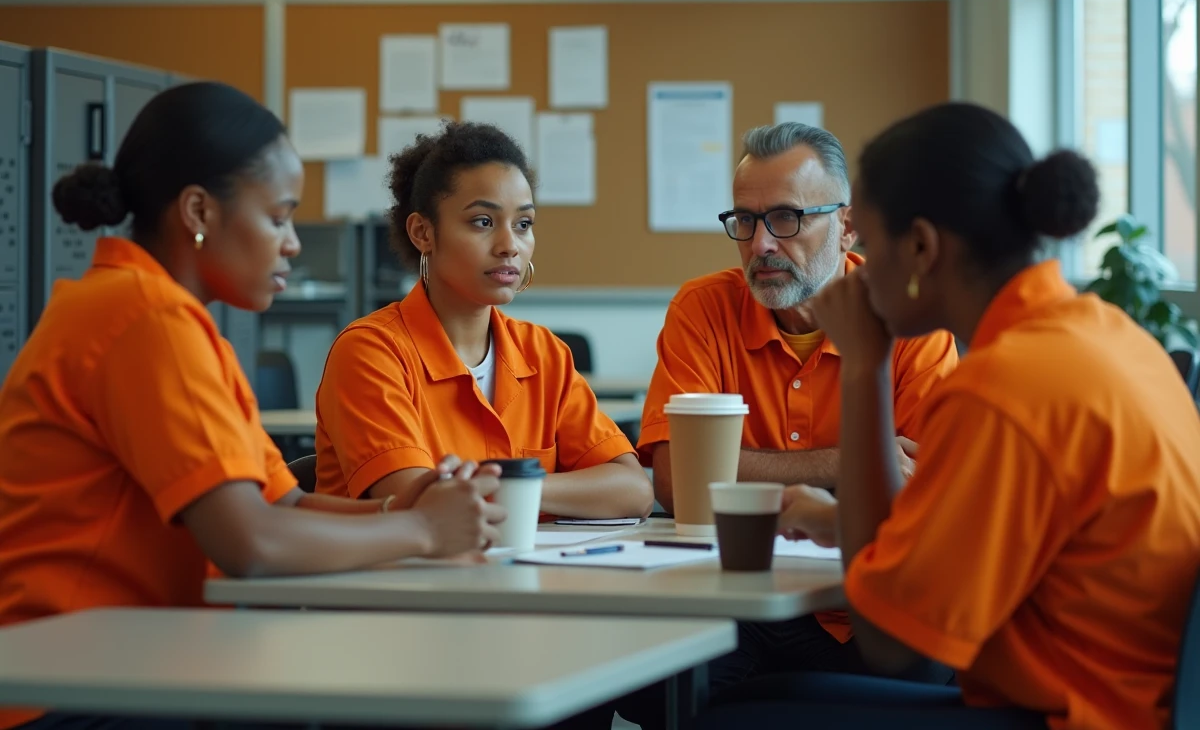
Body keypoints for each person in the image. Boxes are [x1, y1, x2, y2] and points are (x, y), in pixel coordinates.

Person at [0, 83, 505, 730]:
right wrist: (426, 533)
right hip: (69, 692)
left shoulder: (163, 316)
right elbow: (251, 543)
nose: (292, 243)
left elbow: (281, 505)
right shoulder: (146, 318)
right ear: (198, 211)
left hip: (127, 666)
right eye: (278, 218)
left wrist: (410, 506)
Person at [701, 103, 1200, 729]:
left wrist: (864, 367)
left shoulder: (1000, 389)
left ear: (921, 248)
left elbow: (891, 645)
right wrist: (838, 520)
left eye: (869, 243)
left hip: (1069, 716)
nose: (859, 272)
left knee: (724, 716)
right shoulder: (1113, 337)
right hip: (1147, 705)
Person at [635, 123, 958, 685]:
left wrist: (737, 471)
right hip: (737, 599)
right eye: (745, 220)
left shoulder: (910, 321)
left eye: (786, 218)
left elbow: (923, 496)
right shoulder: (703, 309)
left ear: (847, 226)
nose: (760, 244)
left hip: (864, 612)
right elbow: (678, 483)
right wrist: (852, 462)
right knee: (654, 683)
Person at [313, 121, 653, 521]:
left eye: (523, 224)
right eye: (483, 222)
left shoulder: (544, 354)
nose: (510, 246)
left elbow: (633, 490)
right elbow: (419, 503)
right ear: (423, 232)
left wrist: (511, 487)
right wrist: (540, 489)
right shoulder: (371, 352)